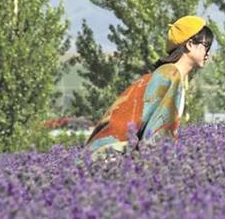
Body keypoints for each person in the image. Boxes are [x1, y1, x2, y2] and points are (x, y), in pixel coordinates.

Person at [86, 15, 214, 159]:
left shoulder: (167, 73)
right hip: (108, 155)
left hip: (104, 154)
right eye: (206, 46)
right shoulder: (170, 75)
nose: (208, 53)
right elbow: (158, 136)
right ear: (190, 44)